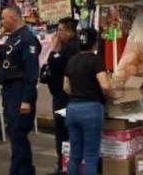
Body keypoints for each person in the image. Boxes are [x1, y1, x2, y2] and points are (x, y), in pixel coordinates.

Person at [0, 5, 41, 175]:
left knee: (19, 133)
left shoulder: (27, 39)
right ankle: (19, 169)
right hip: (8, 90)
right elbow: (1, 59)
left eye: (4, 18)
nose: (1, 21)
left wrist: (26, 99)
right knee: (13, 132)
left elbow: (31, 71)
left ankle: (23, 170)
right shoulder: (11, 38)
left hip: (20, 90)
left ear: (14, 18)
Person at [63, 28, 119, 175]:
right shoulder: (96, 60)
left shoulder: (72, 60)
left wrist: (78, 93)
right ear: (95, 44)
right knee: (91, 156)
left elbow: (66, 87)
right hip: (91, 110)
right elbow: (105, 85)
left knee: (75, 155)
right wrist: (114, 95)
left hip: (72, 109)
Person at [42, 17, 79, 175]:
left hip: (64, 97)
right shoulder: (70, 47)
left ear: (70, 31)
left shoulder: (69, 48)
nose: (58, 34)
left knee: (63, 130)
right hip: (62, 95)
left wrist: (54, 49)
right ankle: (64, 164)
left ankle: (63, 165)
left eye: (61, 30)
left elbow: (54, 63)